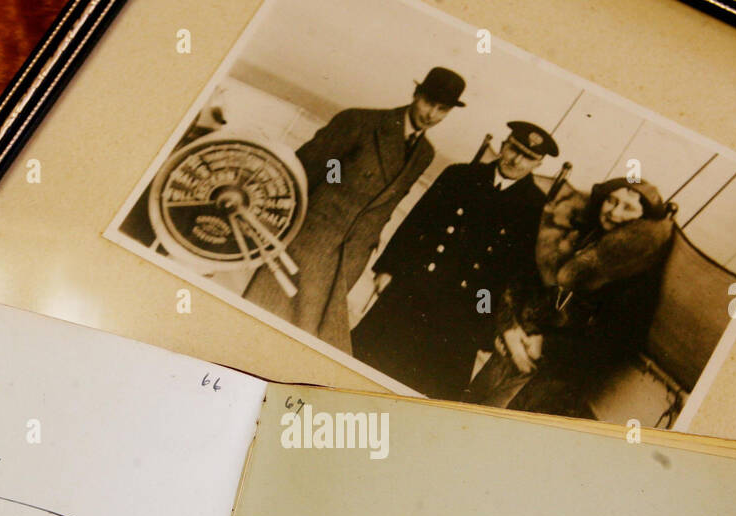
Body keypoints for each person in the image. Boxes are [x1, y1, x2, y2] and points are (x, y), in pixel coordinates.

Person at [243, 67, 466, 353]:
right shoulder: (360, 122)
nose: (431, 114)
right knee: (260, 324)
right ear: (416, 94)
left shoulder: (425, 154)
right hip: (306, 245)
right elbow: (303, 172)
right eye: (428, 102)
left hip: (351, 261)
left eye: (442, 109)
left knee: (301, 345)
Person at [350, 121, 556, 400]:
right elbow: (417, 222)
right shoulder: (460, 175)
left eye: (528, 157)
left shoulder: (534, 207)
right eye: (513, 149)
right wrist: (388, 267)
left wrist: (487, 324)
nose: (516, 160)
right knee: (361, 368)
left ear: (539, 163)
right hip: (413, 289)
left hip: (463, 313)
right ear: (503, 144)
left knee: (426, 393)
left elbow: (516, 272)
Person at [465, 177, 675, 416]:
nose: (614, 212)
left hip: (555, 375)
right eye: (611, 200)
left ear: (643, 218)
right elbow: (523, 280)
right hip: (513, 346)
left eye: (627, 207)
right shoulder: (576, 236)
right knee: (468, 407)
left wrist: (546, 345)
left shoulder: (638, 268)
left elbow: (618, 340)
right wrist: (510, 328)